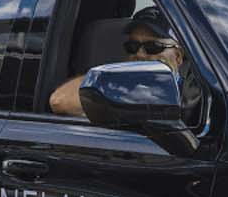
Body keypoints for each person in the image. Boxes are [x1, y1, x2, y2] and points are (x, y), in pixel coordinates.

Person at [49, 6, 184, 117]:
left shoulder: (196, 97)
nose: (140, 54)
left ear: (178, 56)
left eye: (153, 47)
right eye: (132, 47)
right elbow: (59, 101)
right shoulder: (119, 88)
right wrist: (109, 78)